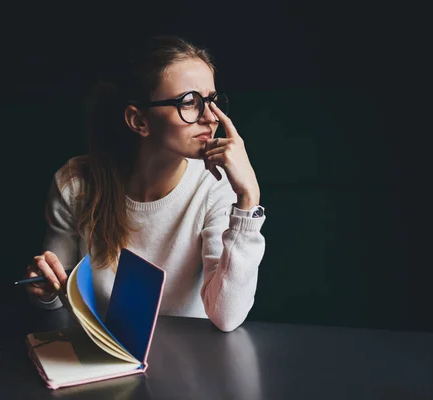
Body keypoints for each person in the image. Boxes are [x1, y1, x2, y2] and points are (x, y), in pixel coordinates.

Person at [24, 35, 266, 332]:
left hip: (191, 362)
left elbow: (227, 316)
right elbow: (55, 293)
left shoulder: (215, 185)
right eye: (189, 102)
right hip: (102, 356)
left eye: (213, 101)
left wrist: (248, 197)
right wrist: (46, 289)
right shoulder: (75, 183)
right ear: (138, 121)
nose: (210, 117)